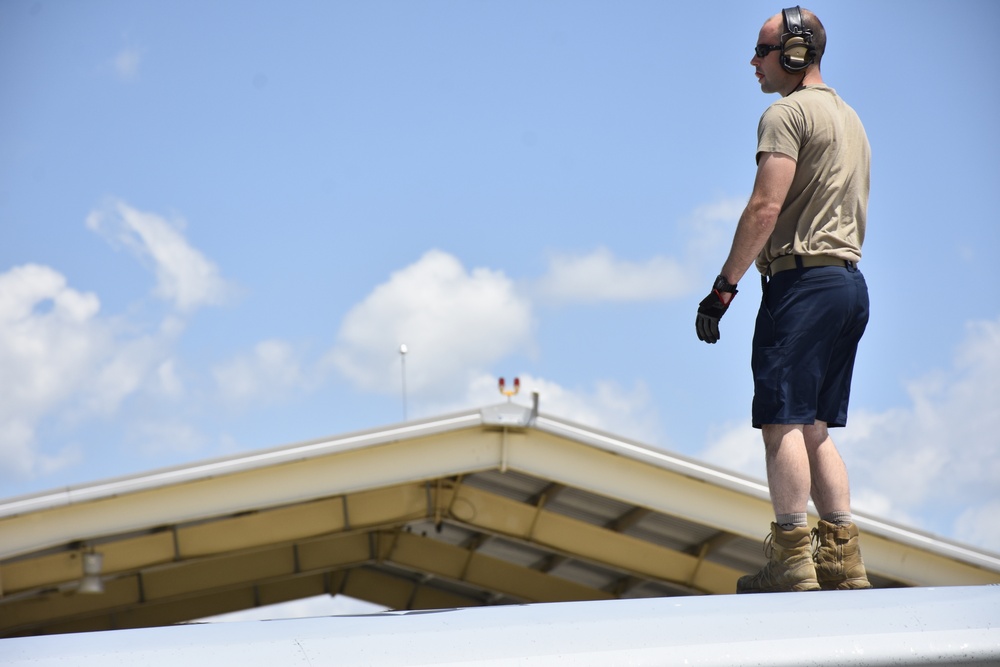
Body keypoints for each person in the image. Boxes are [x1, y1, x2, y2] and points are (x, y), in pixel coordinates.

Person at [695, 6, 872, 593]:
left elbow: (764, 208)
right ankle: (842, 560)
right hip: (847, 286)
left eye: (762, 52)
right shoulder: (849, 118)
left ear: (795, 55)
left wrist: (724, 288)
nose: (753, 63)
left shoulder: (785, 115)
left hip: (801, 286)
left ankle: (793, 557)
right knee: (816, 426)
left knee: (781, 422)